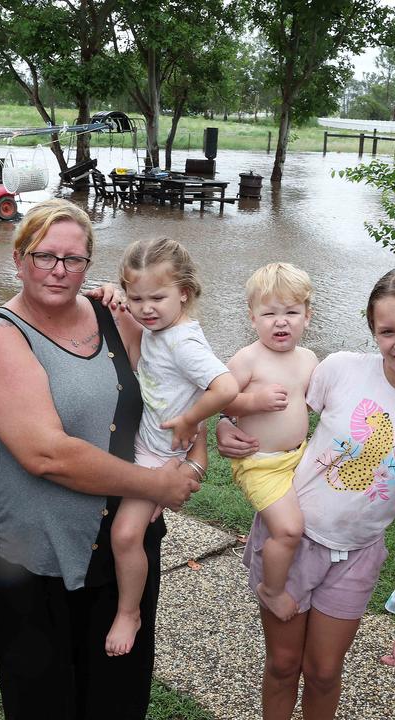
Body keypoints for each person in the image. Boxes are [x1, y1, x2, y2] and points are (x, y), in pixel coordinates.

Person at [0, 199, 204, 720]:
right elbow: (46, 454)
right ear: (18, 256)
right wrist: (154, 484)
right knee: (44, 699)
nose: (58, 270)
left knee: (118, 693)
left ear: (90, 265)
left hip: (123, 546)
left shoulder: (114, 315)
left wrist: (213, 437)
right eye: (44, 255)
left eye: (73, 259)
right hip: (37, 553)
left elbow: (172, 386)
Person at [217, 266, 395, 720]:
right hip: (292, 539)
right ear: (373, 333)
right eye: (387, 331)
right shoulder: (339, 370)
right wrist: (226, 426)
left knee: (323, 672)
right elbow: (275, 417)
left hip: (357, 556)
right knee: (282, 665)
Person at [107, 237, 239, 656]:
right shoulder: (156, 329)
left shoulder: (183, 342)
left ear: (184, 292)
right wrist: (112, 297)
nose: (145, 308)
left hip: (158, 457)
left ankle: (129, 612)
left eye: (158, 297)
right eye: (136, 297)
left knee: (125, 536)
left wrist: (190, 418)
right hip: (147, 447)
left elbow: (227, 386)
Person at [222, 263, 318, 623]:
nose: (281, 322)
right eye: (270, 313)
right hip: (260, 462)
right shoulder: (247, 359)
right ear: (252, 318)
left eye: (292, 312)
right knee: (290, 529)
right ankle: (271, 588)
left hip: (300, 456)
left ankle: (270, 553)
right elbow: (216, 399)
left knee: (317, 518)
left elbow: (314, 402)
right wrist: (251, 402)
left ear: (307, 317)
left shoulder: (308, 359)